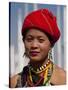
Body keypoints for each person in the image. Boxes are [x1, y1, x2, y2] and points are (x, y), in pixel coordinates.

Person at [9, 9, 66, 88]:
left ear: (51, 44)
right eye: (29, 39)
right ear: (23, 41)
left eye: (41, 40)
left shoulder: (63, 79)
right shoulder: (14, 82)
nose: (34, 45)